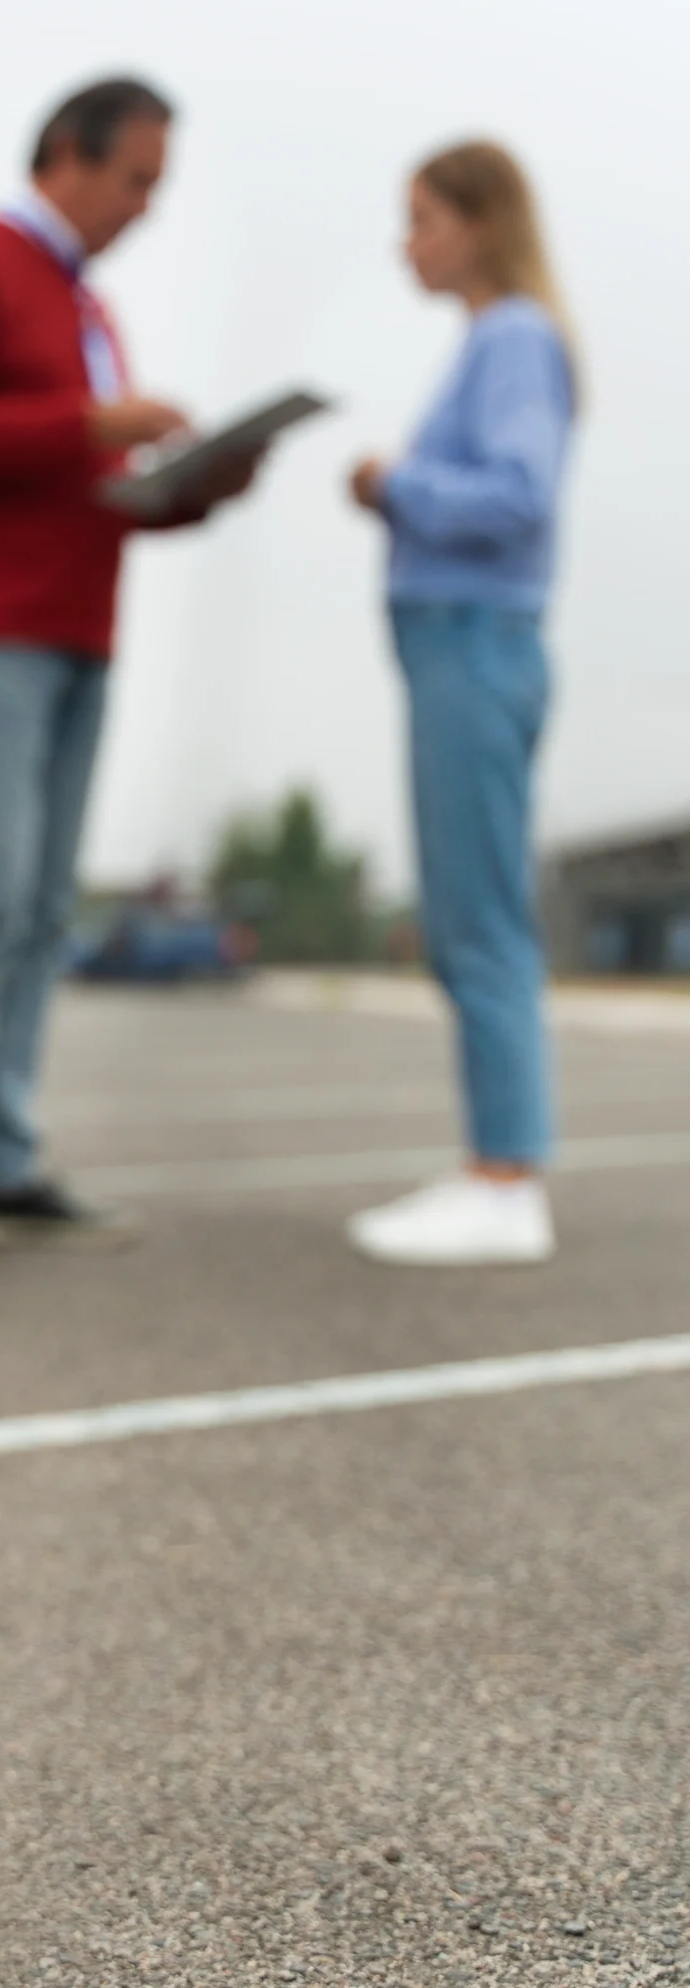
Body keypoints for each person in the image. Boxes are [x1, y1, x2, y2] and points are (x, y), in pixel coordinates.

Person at [0, 75, 258, 1252]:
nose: (147, 207)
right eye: (137, 179)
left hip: (79, 629)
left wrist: (197, 487)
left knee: (46, 907)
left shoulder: (89, 309)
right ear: (67, 156)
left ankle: (0, 1150)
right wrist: (93, 424)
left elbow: (87, 486)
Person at [346, 141, 577, 1267]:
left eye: (423, 218)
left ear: (482, 224)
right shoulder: (494, 342)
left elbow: (520, 496)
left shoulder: (514, 338)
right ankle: (494, 1159)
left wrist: (397, 485)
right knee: (465, 916)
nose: (408, 243)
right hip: (458, 648)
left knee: (479, 921)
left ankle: (505, 1182)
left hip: (475, 645)